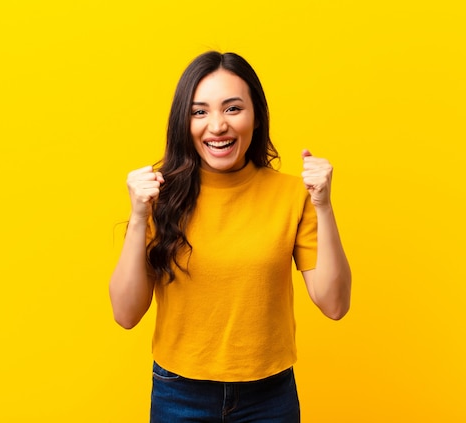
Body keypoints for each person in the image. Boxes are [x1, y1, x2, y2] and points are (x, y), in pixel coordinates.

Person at [109, 51, 351, 422]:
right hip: (179, 392)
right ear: (183, 122)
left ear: (256, 118)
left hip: (269, 396)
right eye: (200, 111)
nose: (217, 126)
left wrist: (324, 205)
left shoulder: (292, 196)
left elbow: (334, 304)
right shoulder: (159, 196)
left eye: (233, 109)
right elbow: (125, 314)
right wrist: (140, 215)